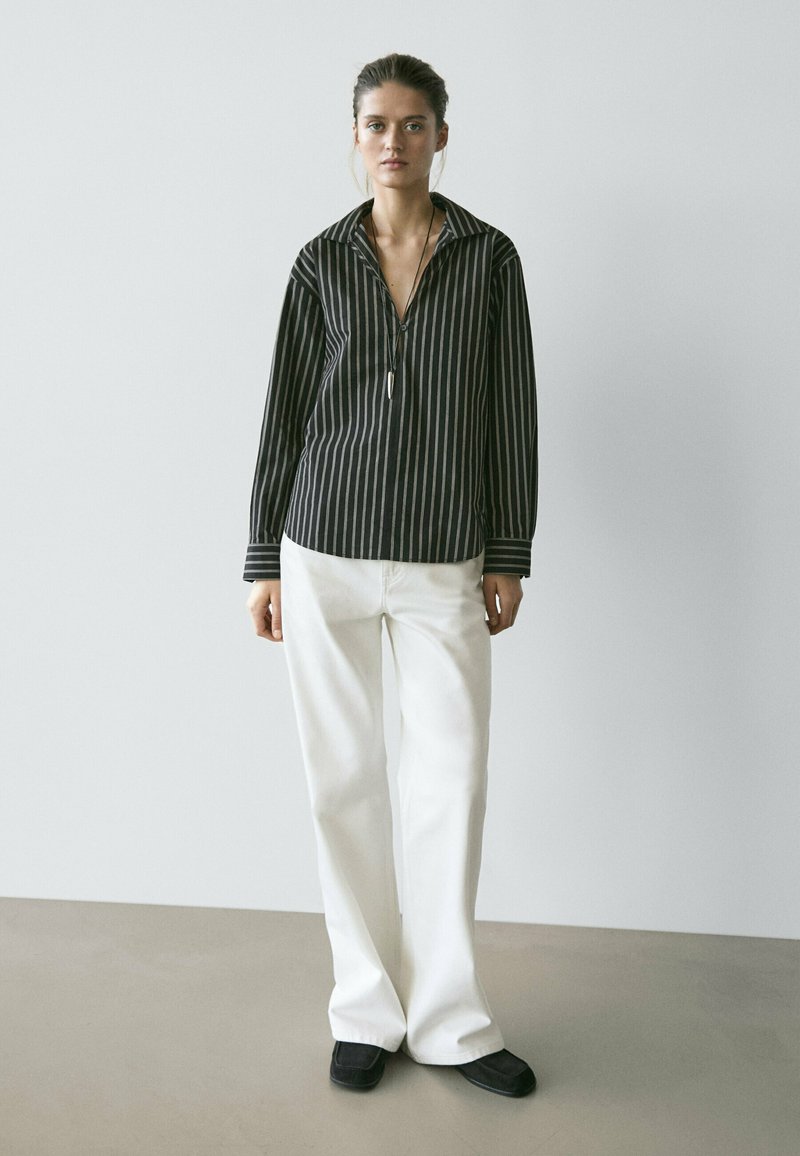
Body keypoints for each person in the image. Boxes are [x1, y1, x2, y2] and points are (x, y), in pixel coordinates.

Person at [244, 52, 538, 1098]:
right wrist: (262, 558)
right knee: (342, 781)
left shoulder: (489, 259)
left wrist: (509, 551)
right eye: (377, 123)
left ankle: (451, 1022)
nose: (394, 141)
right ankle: (365, 1009)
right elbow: (285, 414)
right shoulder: (319, 261)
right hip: (322, 545)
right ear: (356, 135)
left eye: (413, 124)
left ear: (440, 136)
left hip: (445, 555)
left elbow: (510, 410)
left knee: (449, 781)